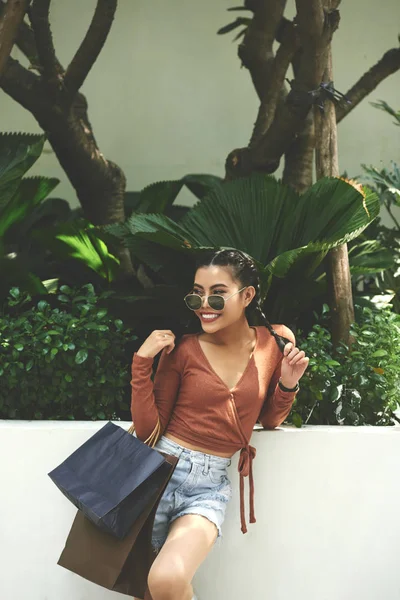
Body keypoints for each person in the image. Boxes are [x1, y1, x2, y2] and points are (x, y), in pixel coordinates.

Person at [130, 249, 309, 600]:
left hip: (208, 485)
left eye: (217, 293)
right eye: (196, 293)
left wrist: (288, 382)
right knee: (149, 593)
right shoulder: (183, 350)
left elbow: (271, 419)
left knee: (166, 579)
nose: (204, 304)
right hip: (159, 475)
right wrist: (141, 364)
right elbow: (150, 432)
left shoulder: (275, 342)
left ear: (247, 295)